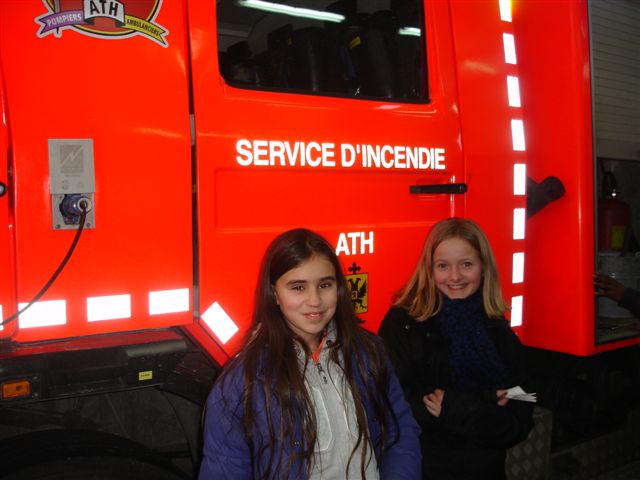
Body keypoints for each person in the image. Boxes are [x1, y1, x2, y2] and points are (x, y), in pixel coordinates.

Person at [199, 228, 421, 479]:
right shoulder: (241, 384)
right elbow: (224, 470)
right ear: (274, 293)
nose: (315, 300)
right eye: (298, 287)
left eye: (324, 285)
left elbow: (400, 433)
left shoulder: (368, 354)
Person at [378, 218, 534, 480]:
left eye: (466, 264)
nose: (455, 277)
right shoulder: (402, 323)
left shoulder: (495, 325)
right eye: (443, 266)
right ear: (429, 269)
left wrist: (454, 408)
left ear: (484, 267)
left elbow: (525, 402)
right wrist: (488, 403)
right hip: (423, 470)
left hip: (487, 470)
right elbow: (391, 406)